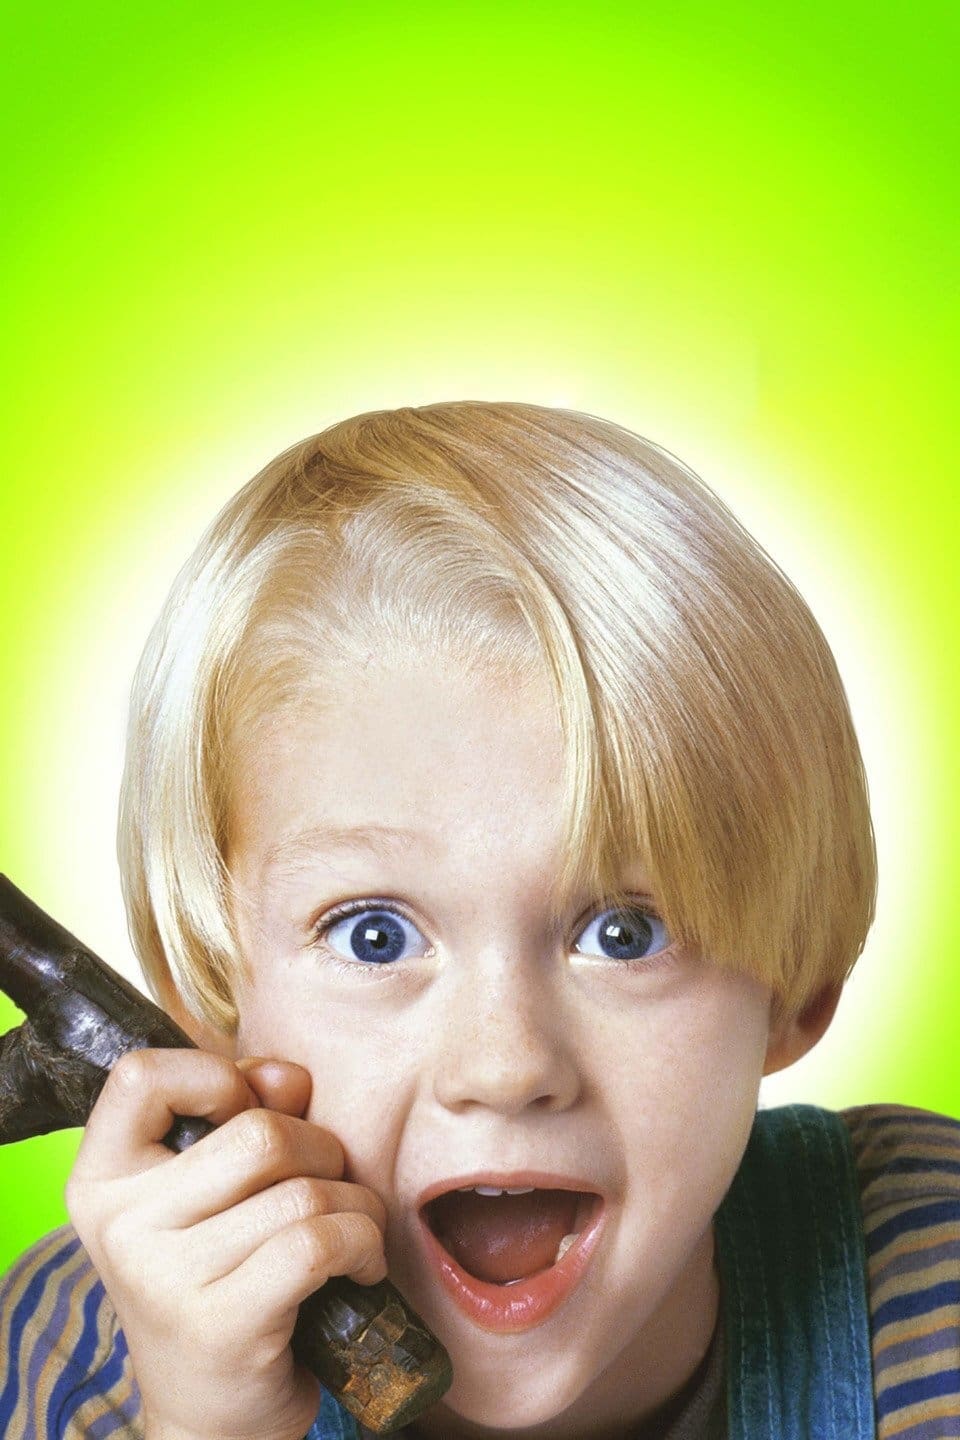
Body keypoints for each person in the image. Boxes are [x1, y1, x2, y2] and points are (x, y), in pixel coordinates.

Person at [1, 401, 958, 1440]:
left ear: (796, 988)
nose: (504, 1067)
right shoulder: (80, 1360)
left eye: (625, 934)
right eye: (373, 936)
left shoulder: (933, 1287)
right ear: (215, 989)